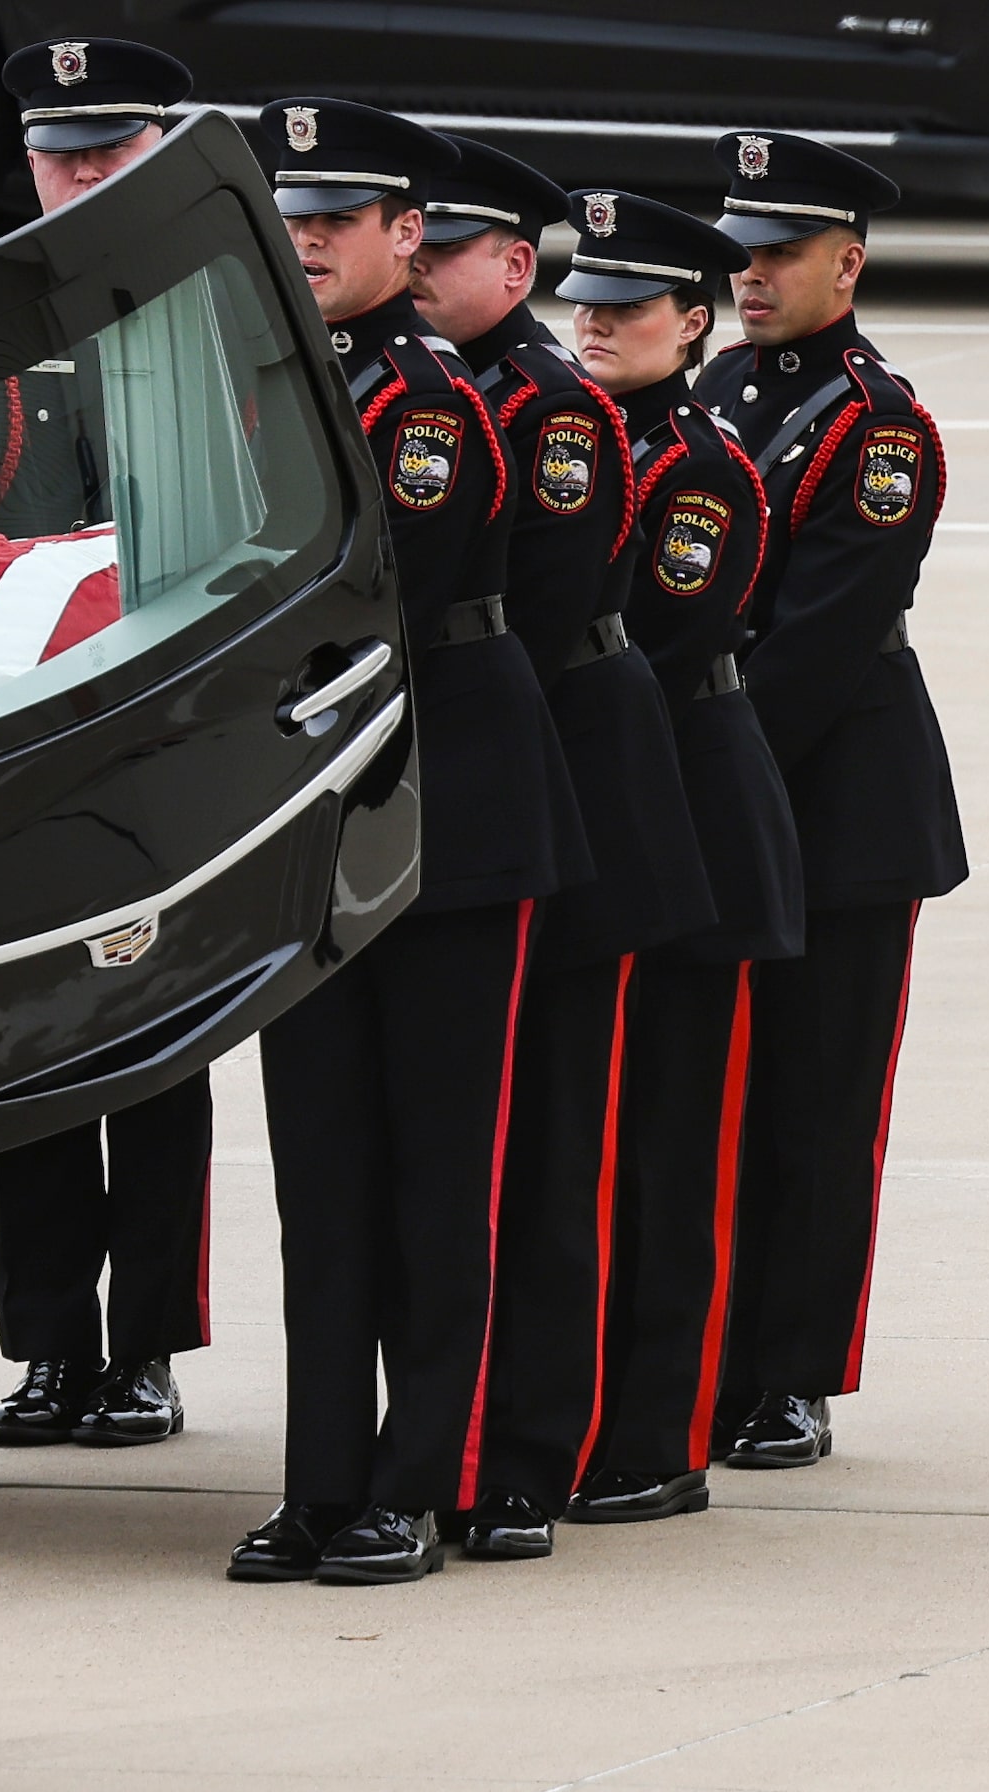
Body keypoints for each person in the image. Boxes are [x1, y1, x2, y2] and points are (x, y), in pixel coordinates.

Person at [231, 99, 588, 1586]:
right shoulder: (270, 374)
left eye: (341, 221)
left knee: (447, 1169)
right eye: (293, 217)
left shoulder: (427, 401)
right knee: (323, 1172)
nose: (308, 240)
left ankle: (423, 1475)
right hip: (317, 812)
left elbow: (355, 580)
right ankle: (322, 1478)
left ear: (405, 239)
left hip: (449, 802)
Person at [410, 138, 716, 1562]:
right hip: (488, 806)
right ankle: (466, 1428)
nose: (412, 265)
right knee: (469, 1148)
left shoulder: (555, 412)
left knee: (559, 1150)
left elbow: (532, 619)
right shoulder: (439, 389)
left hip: (574, 805)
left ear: (512, 267)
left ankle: (542, 1444)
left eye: (440, 246)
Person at [689, 132, 966, 1468]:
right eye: (738, 249)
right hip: (735, 784)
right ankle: (709, 1354)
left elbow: (817, 638)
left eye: (779, 253)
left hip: (839, 803)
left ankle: (792, 1373)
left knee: (815, 1101)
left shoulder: (878, 423)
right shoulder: (722, 382)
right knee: (718, 1097)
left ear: (845, 264)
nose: (749, 273)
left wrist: (702, 770)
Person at [0, 35, 217, 1455]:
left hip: (162, 741)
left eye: (105, 150)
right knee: (35, 1049)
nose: (77, 176)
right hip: (23, 737)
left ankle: (148, 1349)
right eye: (57, 152)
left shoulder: (211, 290)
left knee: (156, 1056)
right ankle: (51, 1344)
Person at [554, 188, 805, 1523]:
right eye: (581, 300)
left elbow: (650, 631)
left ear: (692, 322)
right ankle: (595, 1408)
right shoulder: (577, 435)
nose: (592, 323)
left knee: (673, 1142)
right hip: (614, 813)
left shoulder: (700, 464)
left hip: (693, 822)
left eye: (626, 307)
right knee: (596, 1143)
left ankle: (665, 1428)